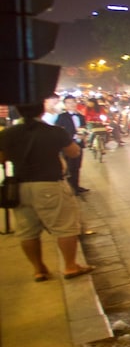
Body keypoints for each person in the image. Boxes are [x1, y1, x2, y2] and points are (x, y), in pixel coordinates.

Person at [0, 103, 94, 281]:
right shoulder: (54, 131)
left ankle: (39, 269)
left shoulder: (7, 134)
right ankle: (70, 266)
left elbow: (2, 158)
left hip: (19, 188)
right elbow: (74, 152)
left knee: (27, 231)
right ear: (41, 110)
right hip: (49, 184)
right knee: (65, 227)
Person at [55, 96, 89, 195]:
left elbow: (84, 127)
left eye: (73, 102)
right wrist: (72, 136)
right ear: (65, 105)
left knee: (77, 166)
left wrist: (84, 135)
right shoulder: (62, 116)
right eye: (68, 103)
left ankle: (76, 186)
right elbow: (59, 130)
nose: (72, 104)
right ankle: (70, 188)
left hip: (79, 144)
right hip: (68, 145)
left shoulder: (80, 116)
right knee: (69, 167)